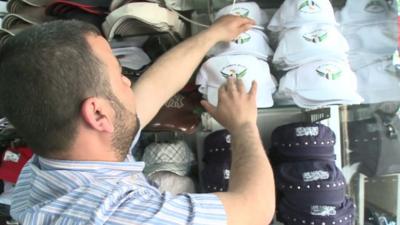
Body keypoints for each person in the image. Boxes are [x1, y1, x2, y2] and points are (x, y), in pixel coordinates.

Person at [0, 15, 275, 225]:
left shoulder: (53, 163)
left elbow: (155, 87)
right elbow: (254, 210)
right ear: (97, 114)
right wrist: (243, 126)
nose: (128, 81)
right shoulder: (116, 215)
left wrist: (213, 34)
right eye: (120, 75)